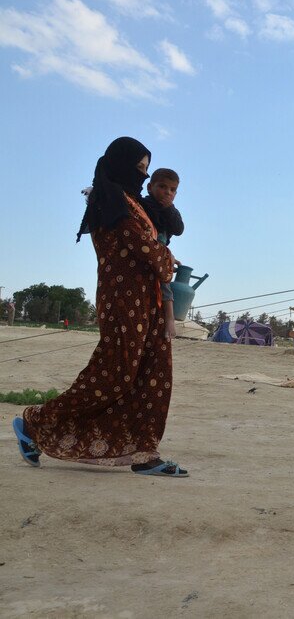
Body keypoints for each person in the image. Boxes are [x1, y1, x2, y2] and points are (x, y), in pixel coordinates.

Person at [12, 137, 188, 477]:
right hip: (123, 301)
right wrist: (165, 258)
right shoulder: (111, 204)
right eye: (139, 170)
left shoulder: (134, 204)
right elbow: (145, 249)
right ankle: (34, 423)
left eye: (145, 170)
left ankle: (144, 452)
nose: (142, 176)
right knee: (114, 376)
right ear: (119, 165)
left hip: (148, 300)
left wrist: (160, 257)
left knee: (152, 375)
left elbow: (157, 243)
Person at [142, 168, 184, 341]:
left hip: (160, 252)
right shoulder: (144, 204)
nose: (167, 192)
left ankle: (169, 318)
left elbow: (178, 229)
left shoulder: (171, 211)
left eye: (172, 190)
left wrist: (169, 208)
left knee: (165, 283)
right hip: (148, 248)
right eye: (162, 187)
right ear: (150, 187)